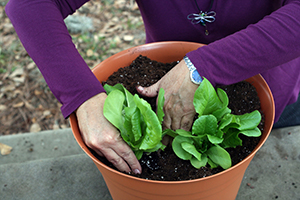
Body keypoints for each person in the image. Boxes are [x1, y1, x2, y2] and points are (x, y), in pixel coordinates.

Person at [5, 0, 300, 174]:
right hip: (159, 90)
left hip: (275, 96)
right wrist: (82, 96)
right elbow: (30, 5)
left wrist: (200, 68)